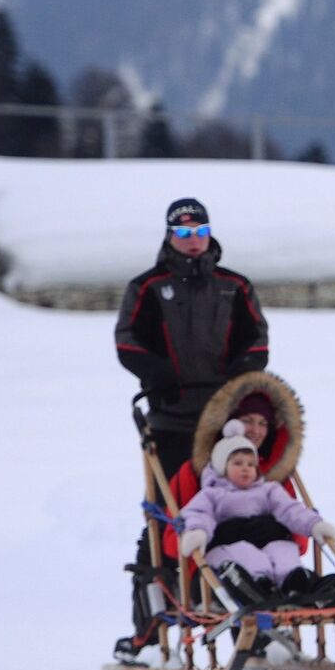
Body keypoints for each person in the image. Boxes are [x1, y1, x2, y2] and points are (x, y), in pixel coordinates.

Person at [115, 197, 269, 477]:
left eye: (201, 232)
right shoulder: (146, 287)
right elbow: (127, 342)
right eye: (184, 233)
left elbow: (257, 339)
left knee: (234, 499)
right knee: (175, 501)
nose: (193, 240)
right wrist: (157, 373)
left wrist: (242, 370)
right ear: (170, 235)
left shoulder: (235, 286)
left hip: (226, 416)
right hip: (169, 415)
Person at [178, 421, 335, 602]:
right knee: (247, 553)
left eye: (251, 464)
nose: (245, 468)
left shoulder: (268, 490)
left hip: (264, 545)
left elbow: (289, 509)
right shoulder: (212, 494)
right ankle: (258, 588)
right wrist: (198, 532)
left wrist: (313, 525)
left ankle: (297, 584)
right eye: (238, 463)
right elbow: (198, 513)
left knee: (283, 549)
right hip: (228, 552)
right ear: (222, 468)